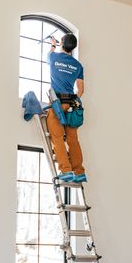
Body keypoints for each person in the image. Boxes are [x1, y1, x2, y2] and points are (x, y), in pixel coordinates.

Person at [47, 33, 87, 183]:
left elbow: (49, 53)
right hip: (72, 104)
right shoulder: (78, 65)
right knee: (72, 139)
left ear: (62, 43)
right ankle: (79, 171)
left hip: (57, 104)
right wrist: (72, 102)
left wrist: (53, 44)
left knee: (57, 137)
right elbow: (81, 90)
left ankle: (66, 170)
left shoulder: (53, 57)